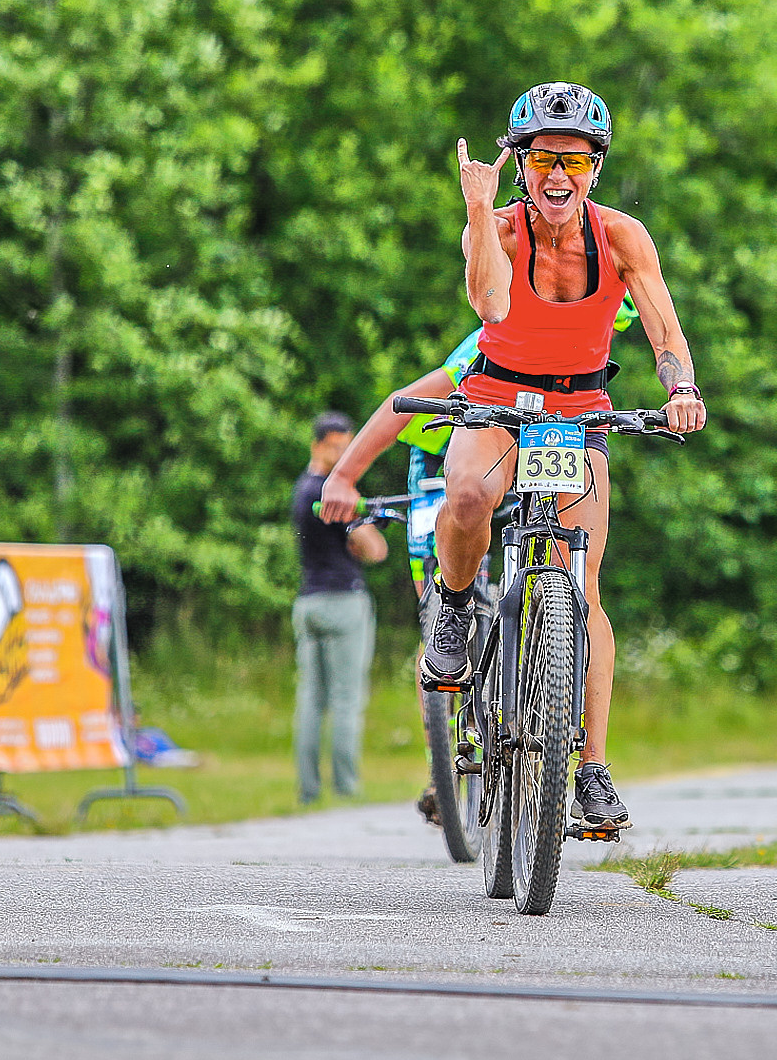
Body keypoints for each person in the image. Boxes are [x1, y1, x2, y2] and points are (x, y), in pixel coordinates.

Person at [321, 82, 706, 830]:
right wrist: (475, 207)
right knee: (465, 495)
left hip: (578, 413)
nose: (557, 176)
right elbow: (491, 306)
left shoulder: (624, 237)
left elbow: (664, 330)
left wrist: (682, 386)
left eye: (573, 160)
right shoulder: (495, 227)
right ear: (520, 165)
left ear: (594, 167)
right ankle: (457, 610)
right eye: (541, 161)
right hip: (499, 400)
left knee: (583, 585)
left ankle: (592, 769)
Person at [317, 297, 639, 824]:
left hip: (538, 446)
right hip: (451, 444)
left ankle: (578, 746)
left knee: (575, 576)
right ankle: (448, 631)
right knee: (447, 539)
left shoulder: (586, 348)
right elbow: (406, 401)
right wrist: (345, 476)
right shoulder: (490, 342)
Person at [290, 412, 389, 804]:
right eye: (336, 446)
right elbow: (375, 549)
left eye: (347, 445)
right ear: (317, 445)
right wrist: (362, 526)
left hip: (308, 600)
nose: (343, 453)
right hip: (344, 602)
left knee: (311, 700)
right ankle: (346, 789)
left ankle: (308, 790)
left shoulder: (301, 489)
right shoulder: (332, 493)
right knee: (347, 699)